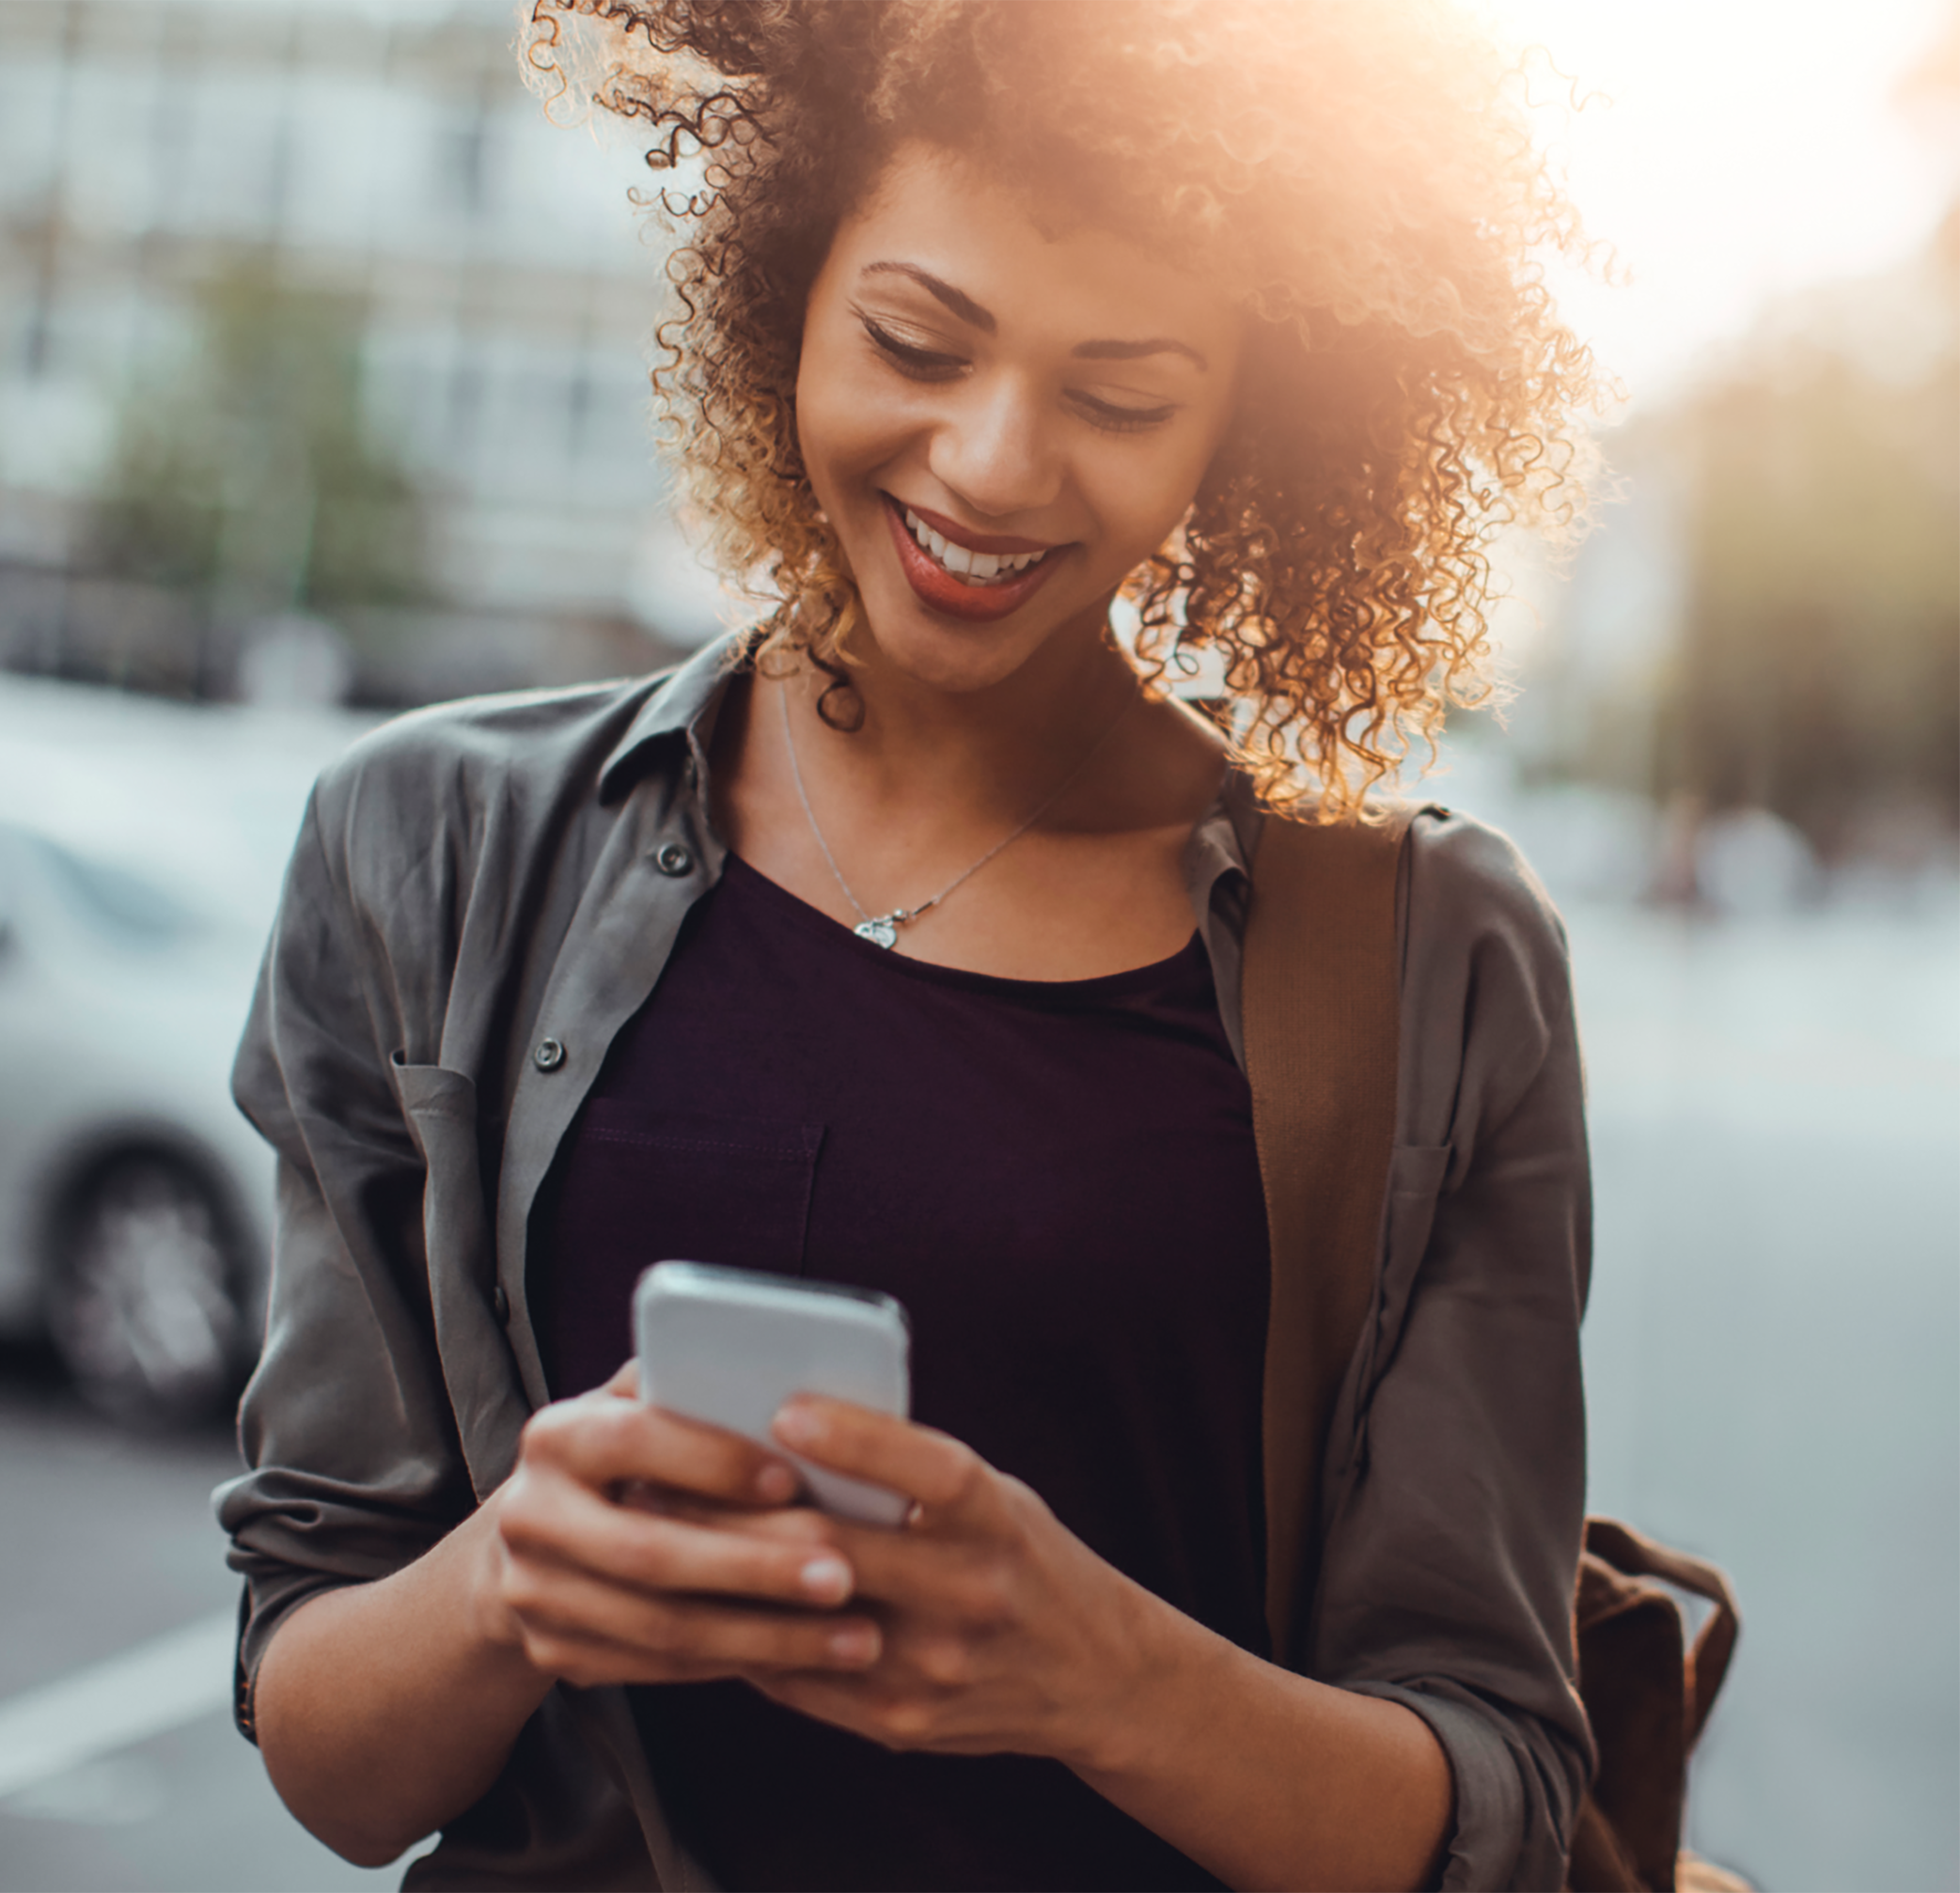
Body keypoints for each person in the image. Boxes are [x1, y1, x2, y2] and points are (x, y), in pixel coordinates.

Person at [215, 1, 1601, 1888]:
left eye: (1120, 398)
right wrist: (509, 1577)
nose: (993, 463)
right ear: (788, 287)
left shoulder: (1438, 963)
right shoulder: (429, 847)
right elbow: (332, 1753)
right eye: (917, 342)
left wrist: (1093, 1669)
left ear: (1253, 423)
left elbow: (1495, 1805)